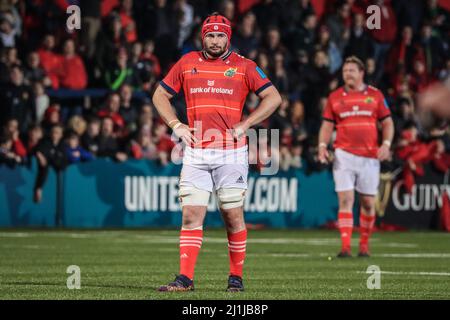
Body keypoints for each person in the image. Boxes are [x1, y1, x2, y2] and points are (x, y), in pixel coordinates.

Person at [152, 13, 281, 292]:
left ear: (228, 37)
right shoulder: (187, 63)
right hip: (196, 153)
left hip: (231, 154)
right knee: (190, 216)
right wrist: (176, 125)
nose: (215, 40)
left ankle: (236, 277)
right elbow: (159, 95)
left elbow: (274, 97)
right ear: (203, 37)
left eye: (220, 35)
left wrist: (247, 123)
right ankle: (185, 279)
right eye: (210, 35)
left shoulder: (245, 66)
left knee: (232, 216)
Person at [317, 56, 394, 258]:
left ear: (362, 73)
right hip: (343, 155)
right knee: (346, 199)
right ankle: (345, 247)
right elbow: (327, 125)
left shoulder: (375, 95)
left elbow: (387, 123)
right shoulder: (335, 97)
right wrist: (322, 145)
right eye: (345, 71)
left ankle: (364, 246)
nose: (347, 74)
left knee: (368, 203)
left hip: (369, 156)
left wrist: (386, 145)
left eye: (351, 70)